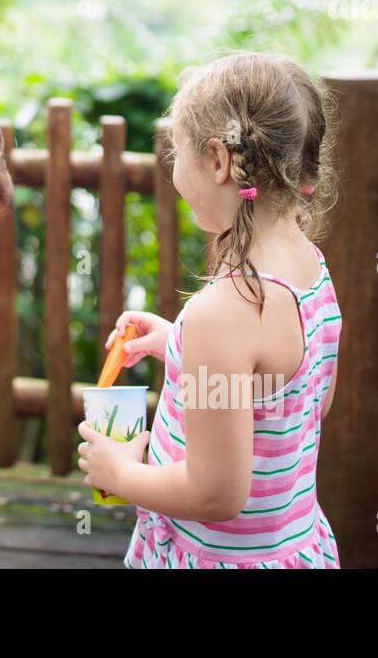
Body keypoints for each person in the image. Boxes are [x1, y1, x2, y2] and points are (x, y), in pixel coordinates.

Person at [77, 50, 343, 568]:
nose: (174, 174)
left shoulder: (223, 312)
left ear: (219, 161)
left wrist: (121, 473)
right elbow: (303, 397)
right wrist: (177, 343)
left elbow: (216, 494)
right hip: (293, 547)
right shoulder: (311, 269)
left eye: (176, 154)